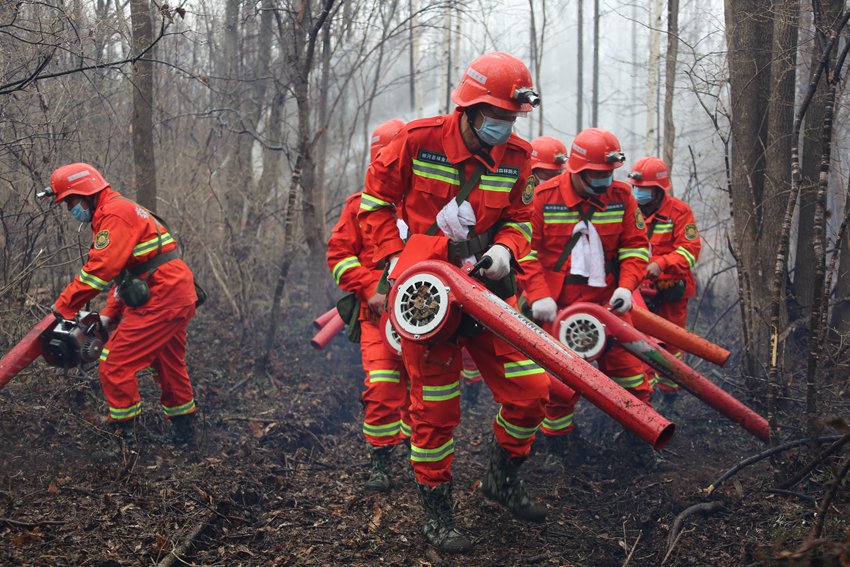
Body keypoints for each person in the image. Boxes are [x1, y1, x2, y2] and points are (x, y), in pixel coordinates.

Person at [358, 51, 549, 553]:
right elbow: (374, 206)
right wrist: (395, 262)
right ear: (468, 109)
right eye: (496, 117)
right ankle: (436, 511)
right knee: (436, 409)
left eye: (511, 118)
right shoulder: (416, 141)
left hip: (487, 291)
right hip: (427, 293)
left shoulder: (519, 158)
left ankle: (501, 478)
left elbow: (522, 218)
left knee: (531, 390)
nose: (504, 127)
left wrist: (508, 249)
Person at [519, 128, 659, 466]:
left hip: (609, 305)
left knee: (632, 377)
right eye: (596, 175)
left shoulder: (622, 197)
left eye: (607, 174)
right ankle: (557, 450)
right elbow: (525, 251)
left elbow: (636, 247)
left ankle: (642, 448)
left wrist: (627, 285)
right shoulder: (543, 197)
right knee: (559, 386)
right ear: (577, 170)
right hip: (558, 309)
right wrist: (538, 295)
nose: (603, 181)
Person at [48, 163, 198, 443]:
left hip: (163, 296)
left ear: (86, 192)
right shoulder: (114, 211)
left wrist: (65, 305)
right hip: (171, 292)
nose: (70, 210)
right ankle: (185, 434)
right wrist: (108, 315)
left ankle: (124, 437)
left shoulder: (114, 214)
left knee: (114, 362)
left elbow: (100, 270)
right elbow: (126, 275)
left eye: (70, 202)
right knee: (167, 362)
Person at [326, 118, 411, 492]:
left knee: (424, 392)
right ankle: (381, 459)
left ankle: (419, 450)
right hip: (376, 317)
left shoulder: (431, 205)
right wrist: (367, 288)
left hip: (424, 317)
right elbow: (339, 255)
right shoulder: (358, 207)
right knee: (381, 387)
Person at [628, 156, 701, 409]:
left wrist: (662, 264)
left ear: (658, 190)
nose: (638, 192)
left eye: (644, 188)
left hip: (671, 291)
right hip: (637, 293)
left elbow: (690, 250)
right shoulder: (629, 209)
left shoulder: (679, 212)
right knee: (638, 342)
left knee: (671, 345)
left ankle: (670, 394)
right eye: (636, 187)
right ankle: (644, 397)